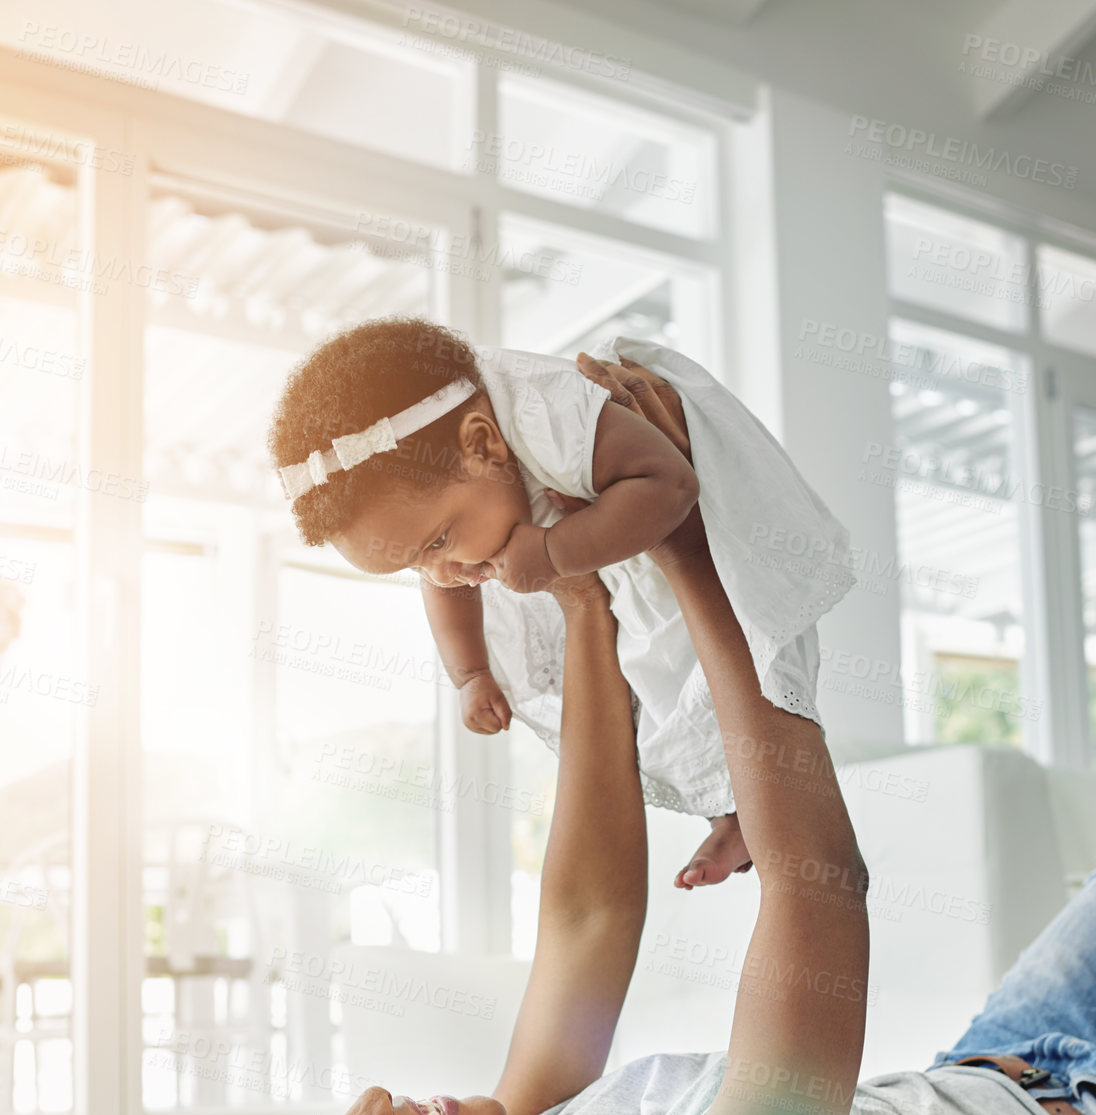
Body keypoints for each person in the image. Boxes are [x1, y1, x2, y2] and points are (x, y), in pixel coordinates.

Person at [141, 359, 1096, 1115]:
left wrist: (584, 604)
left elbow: (585, 914)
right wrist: (689, 549)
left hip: (995, 1067)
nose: (373, 1099)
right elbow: (819, 884)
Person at [266, 316, 853, 888]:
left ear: (484, 444)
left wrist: (553, 552)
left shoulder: (554, 411)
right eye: (414, 562)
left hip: (681, 512)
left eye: (438, 542)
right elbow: (438, 582)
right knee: (649, 690)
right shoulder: (441, 494)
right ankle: (729, 813)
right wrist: (470, 673)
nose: (439, 575)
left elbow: (670, 485)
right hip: (613, 547)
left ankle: (771, 824)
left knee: (734, 664)